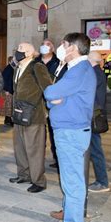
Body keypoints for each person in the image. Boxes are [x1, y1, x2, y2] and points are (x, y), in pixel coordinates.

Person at [44, 33, 96, 222]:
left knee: (73, 180)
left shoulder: (80, 70)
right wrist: (56, 99)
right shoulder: (74, 69)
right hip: (68, 129)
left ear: (73, 48)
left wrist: (55, 97)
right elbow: (53, 99)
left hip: (71, 132)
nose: (60, 48)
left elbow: (49, 92)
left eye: (63, 44)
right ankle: (69, 211)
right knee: (68, 177)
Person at [10, 43, 52, 193]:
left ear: (28, 53)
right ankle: (24, 174)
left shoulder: (37, 67)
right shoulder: (18, 68)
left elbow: (48, 88)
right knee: (19, 147)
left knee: (34, 149)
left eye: (20, 49)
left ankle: (39, 181)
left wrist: (46, 108)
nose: (17, 51)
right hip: (19, 113)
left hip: (34, 115)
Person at [36, 39, 67, 168]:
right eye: (43, 43)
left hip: (53, 101)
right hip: (38, 101)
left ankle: (57, 158)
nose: (44, 46)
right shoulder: (36, 62)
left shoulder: (58, 62)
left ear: (53, 49)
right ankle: (38, 157)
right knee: (38, 131)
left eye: (48, 44)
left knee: (54, 131)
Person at [88, 51, 110, 193]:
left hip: (93, 117)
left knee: (96, 151)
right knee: (94, 150)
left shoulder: (94, 73)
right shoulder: (97, 72)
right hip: (94, 115)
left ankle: (102, 182)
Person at [0, 56, 16, 127]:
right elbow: (4, 80)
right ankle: (8, 120)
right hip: (8, 90)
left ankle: (8, 120)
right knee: (8, 106)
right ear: (10, 61)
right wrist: (6, 89)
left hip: (12, 90)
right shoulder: (8, 68)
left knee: (10, 106)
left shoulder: (14, 68)